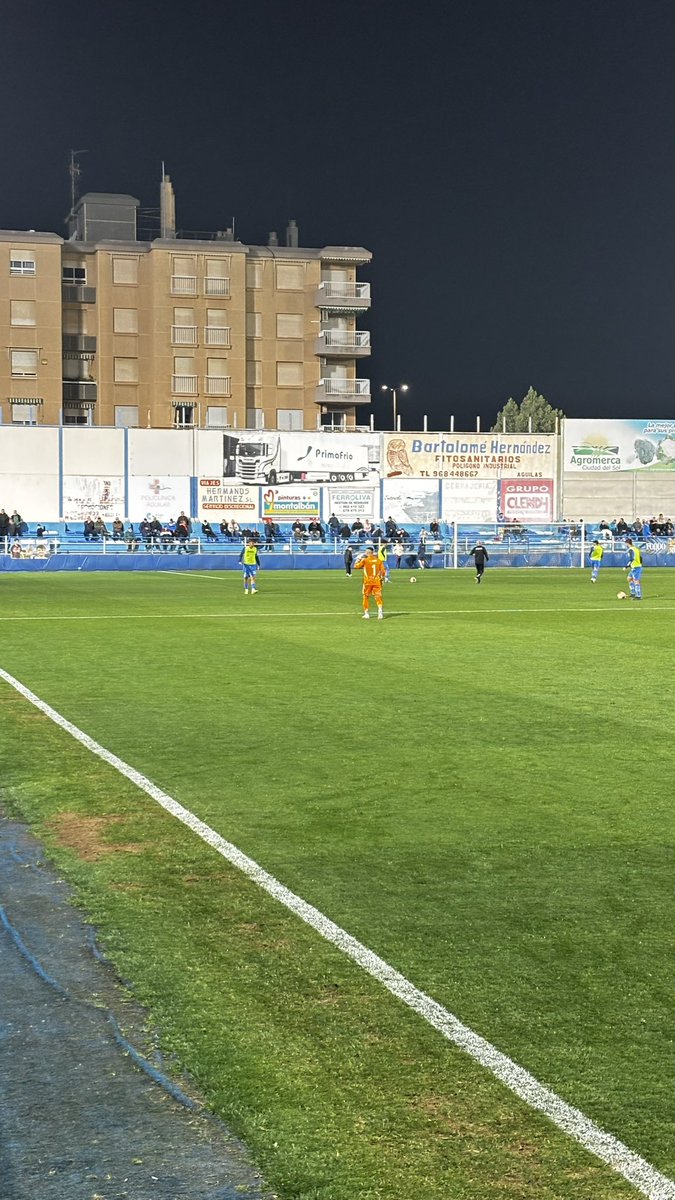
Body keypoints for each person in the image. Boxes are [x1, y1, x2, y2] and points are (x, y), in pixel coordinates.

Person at [354, 544, 386, 619]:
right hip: (377, 581)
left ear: (367, 552)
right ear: (373, 552)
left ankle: (366, 613)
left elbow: (356, 566)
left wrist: (358, 559)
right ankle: (380, 613)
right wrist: (382, 578)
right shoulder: (379, 561)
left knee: (365, 596)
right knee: (378, 596)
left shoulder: (365, 560)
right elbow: (383, 571)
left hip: (368, 582)